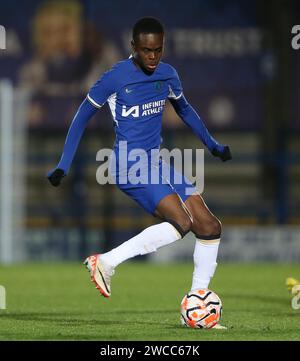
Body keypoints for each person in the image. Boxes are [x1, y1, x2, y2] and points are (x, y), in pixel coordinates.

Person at [47, 18, 232, 324]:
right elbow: (81, 117)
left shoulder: (168, 74)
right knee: (182, 222)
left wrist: (212, 145)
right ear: (133, 47)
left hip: (156, 160)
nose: (152, 57)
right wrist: (63, 164)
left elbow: (184, 109)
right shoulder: (115, 77)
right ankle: (105, 262)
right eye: (146, 50)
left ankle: (198, 303)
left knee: (209, 226)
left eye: (158, 50)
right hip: (127, 164)